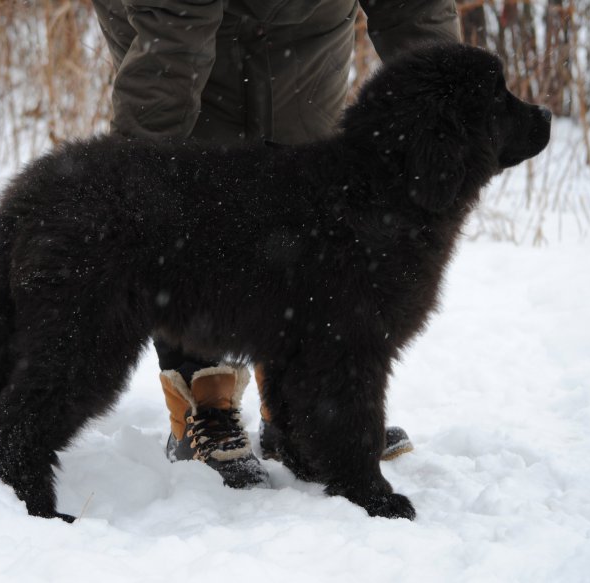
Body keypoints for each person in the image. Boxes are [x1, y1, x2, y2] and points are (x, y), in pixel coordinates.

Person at [91, 0, 462, 488]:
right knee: (187, 201)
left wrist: (451, 104)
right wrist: (132, 183)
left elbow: (414, 11)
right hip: (172, 27)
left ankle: (301, 410)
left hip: (303, 33)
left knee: (304, 195)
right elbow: (174, 36)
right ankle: (203, 400)